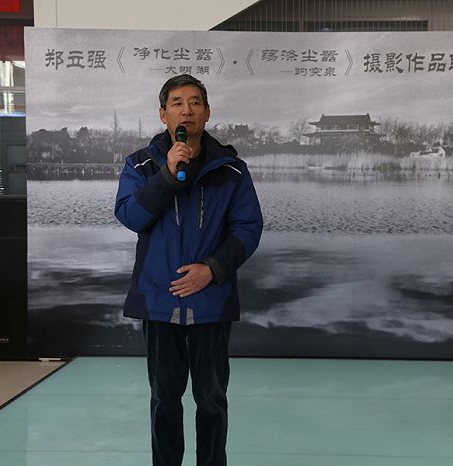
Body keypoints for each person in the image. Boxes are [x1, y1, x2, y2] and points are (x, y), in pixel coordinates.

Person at [114, 74, 263, 466]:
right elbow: (130, 216)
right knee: (164, 400)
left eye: (195, 102)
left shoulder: (231, 170)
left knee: (211, 400)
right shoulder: (141, 165)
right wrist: (166, 175)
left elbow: (248, 229)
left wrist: (211, 270)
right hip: (159, 301)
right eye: (177, 103)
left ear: (207, 112)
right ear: (163, 114)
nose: (187, 110)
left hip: (210, 301)